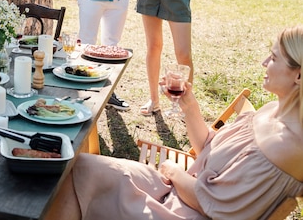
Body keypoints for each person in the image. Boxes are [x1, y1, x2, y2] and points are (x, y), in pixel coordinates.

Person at [46, 25, 303, 220]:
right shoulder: (272, 110)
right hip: (179, 191)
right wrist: (189, 105)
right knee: (80, 166)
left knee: (79, 177)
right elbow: (208, 150)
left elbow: (209, 204)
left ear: (299, 75)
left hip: (185, 210)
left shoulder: (289, 147)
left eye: (274, 58)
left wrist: (172, 171)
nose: (264, 63)